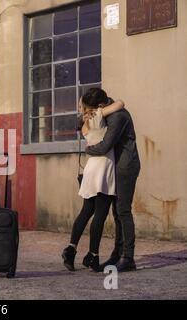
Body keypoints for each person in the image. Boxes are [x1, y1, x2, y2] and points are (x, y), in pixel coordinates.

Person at [62, 89, 125, 272]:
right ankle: (93, 255)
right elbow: (120, 103)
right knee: (100, 213)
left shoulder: (84, 121)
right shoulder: (97, 114)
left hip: (91, 168)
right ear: (98, 105)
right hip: (104, 167)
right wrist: (104, 106)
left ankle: (70, 249)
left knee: (86, 211)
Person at [85, 89, 141, 272]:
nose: (90, 114)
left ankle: (128, 257)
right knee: (117, 212)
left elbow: (105, 145)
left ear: (100, 106)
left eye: (92, 110)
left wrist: (88, 149)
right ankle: (117, 255)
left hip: (125, 167)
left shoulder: (118, 117)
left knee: (123, 211)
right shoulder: (109, 109)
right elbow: (81, 121)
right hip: (114, 166)